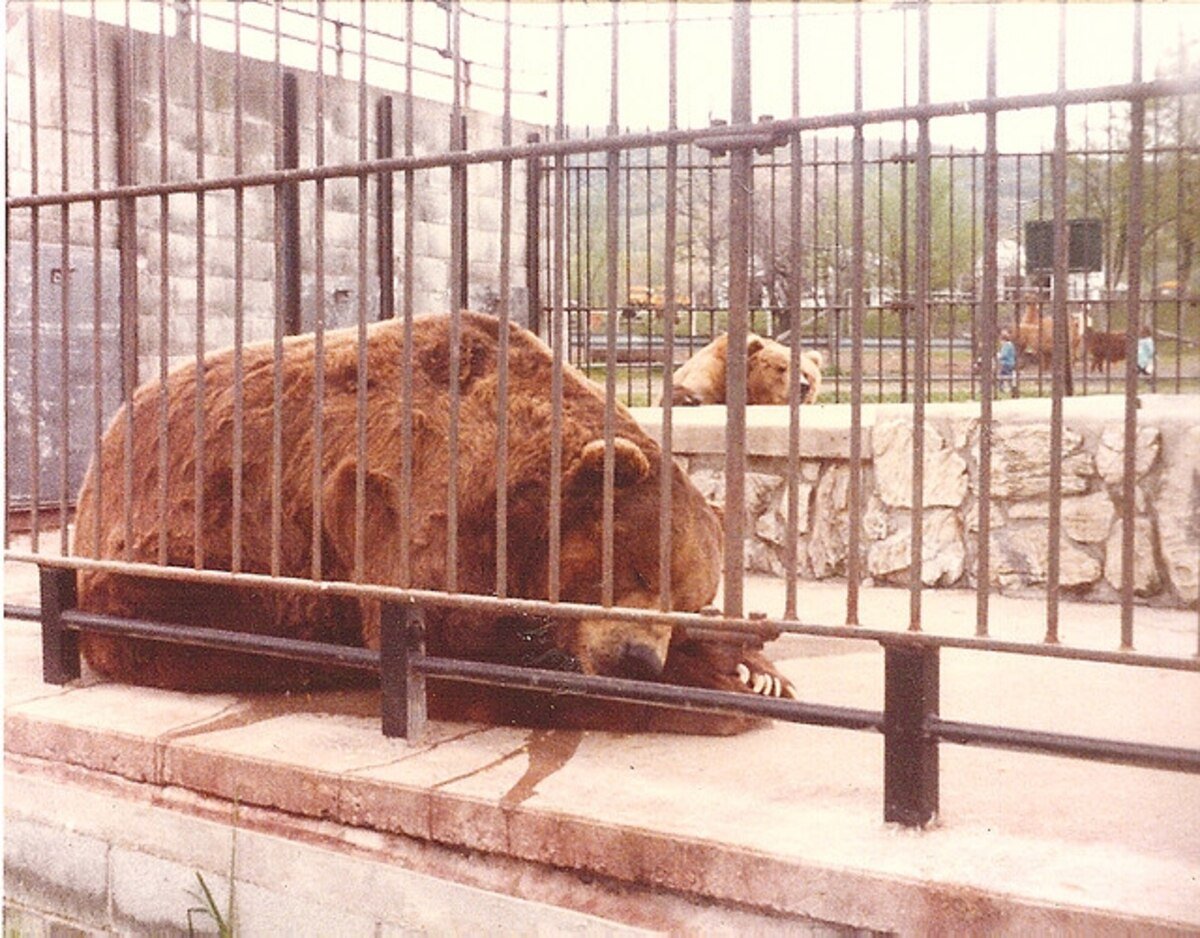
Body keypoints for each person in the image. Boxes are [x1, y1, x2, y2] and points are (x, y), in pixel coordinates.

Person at [996, 327, 1018, 396]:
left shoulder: (1006, 345)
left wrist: (998, 356)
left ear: (1003, 340)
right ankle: (1011, 388)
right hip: (1011, 363)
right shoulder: (1011, 345)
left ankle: (1001, 388)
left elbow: (1004, 355)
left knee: (1001, 375)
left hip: (1006, 363)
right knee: (1007, 376)